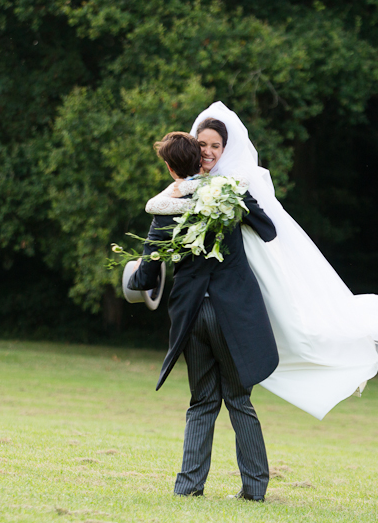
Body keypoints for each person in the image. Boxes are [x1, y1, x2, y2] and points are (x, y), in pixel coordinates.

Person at [146, 102, 378, 420]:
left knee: (288, 337)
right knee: (214, 396)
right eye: (202, 144)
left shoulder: (235, 184)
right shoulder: (186, 189)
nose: (207, 151)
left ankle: (337, 363)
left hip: (241, 276)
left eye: (215, 146)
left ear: (226, 148)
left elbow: (268, 229)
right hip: (204, 293)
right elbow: (157, 206)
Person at [127, 131, 279, 501]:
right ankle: (254, 490)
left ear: (168, 166)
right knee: (239, 400)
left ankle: (189, 486)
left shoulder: (165, 207)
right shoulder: (227, 194)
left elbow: (145, 276)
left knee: (202, 402)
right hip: (232, 314)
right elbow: (269, 229)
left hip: (192, 315)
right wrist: (241, 203)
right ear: (202, 158)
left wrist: (130, 276)